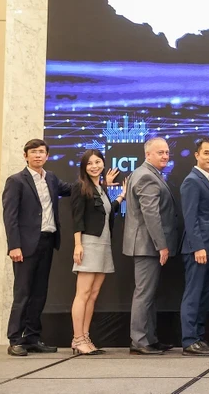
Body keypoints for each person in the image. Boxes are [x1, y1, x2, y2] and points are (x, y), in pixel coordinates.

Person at [2, 139, 72, 357]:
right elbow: (10, 217)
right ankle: (15, 339)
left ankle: (32, 337)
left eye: (41, 152)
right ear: (25, 156)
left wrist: (97, 179)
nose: (38, 156)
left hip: (47, 241)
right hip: (24, 246)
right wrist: (14, 246)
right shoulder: (16, 181)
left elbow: (70, 189)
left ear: (47, 156)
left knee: (40, 293)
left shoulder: (50, 178)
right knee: (23, 293)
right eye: (33, 152)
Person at [123, 136, 180, 355]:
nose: (165, 155)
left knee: (148, 294)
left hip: (147, 245)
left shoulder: (148, 173)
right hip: (148, 246)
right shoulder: (147, 176)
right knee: (144, 294)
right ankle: (139, 340)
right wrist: (161, 245)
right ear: (148, 154)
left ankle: (149, 338)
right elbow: (151, 215)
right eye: (160, 152)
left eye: (166, 152)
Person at [70, 149, 126, 355]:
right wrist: (78, 244)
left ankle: (85, 337)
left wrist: (120, 195)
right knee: (83, 294)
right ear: (84, 167)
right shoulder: (80, 187)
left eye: (98, 162)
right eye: (90, 163)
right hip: (88, 243)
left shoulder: (100, 188)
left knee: (93, 295)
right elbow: (77, 218)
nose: (94, 166)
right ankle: (77, 339)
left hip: (103, 245)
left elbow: (107, 211)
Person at [180, 137, 209, 356]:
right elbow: (190, 218)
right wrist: (198, 247)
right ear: (197, 155)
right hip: (198, 249)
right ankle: (189, 340)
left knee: (204, 295)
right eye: (207, 153)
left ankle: (198, 337)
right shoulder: (192, 181)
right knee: (194, 294)